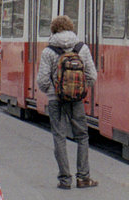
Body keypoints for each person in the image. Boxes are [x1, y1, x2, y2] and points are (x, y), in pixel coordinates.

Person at [36, 15, 98, 189]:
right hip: (76, 100)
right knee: (82, 136)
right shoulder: (82, 48)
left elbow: (42, 80)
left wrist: (53, 91)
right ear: (71, 28)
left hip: (56, 100)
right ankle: (83, 177)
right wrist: (79, 90)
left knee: (59, 136)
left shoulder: (49, 51)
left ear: (54, 29)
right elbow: (92, 76)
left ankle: (65, 179)